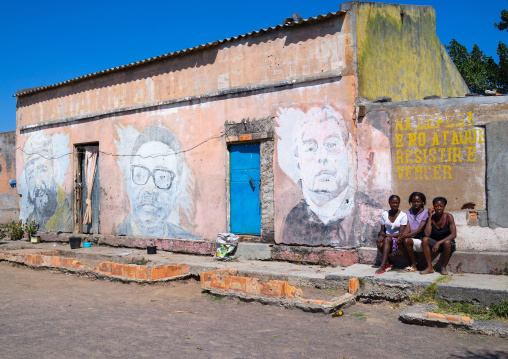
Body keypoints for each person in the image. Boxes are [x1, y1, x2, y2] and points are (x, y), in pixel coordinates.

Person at [281, 106, 356, 247]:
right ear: (298, 159)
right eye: (310, 148)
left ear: (350, 153)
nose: (322, 157)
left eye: (332, 145)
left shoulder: (370, 213)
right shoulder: (292, 219)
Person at [117, 126, 198, 239]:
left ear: (177, 189)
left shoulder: (189, 239)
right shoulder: (119, 234)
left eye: (162, 177)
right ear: (129, 182)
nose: (150, 189)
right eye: (140, 175)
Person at [23, 133, 72, 231]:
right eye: (31, 175)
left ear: (54, 169)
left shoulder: (68, 209)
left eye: (42, 170)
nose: (38, 184)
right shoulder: (30, 219)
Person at [420, 197, 457, 275]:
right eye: (437, 206)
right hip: (435, 243)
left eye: (441, 206)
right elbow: (427, 234)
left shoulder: (449, 217)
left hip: (447, 244)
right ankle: (429, 267)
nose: (439, 208)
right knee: (425, 239)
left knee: (447, 242)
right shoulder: (431, 218)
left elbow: (453, 234)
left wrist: (438, 243)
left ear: (444, 207)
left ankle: (443, 267)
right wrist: (429, 216)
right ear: (433, 207)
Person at [375, 195, 407, 274]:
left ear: (399, 204)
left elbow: (400, 233)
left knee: (387, 239)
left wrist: (386, 236)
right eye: (393, 203)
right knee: (378, 241)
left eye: (397, 203)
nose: (395, 205)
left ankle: (383, 265)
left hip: (397, 239)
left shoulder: (403, 215)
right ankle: (388, 261)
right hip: (387, 238)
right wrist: (381, 235)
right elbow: (382, 230)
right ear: (389, 203)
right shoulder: (385, 214)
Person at [399, 192, 429, 272]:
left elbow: (420, 229)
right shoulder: (408, 212)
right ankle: (413, 262)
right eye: (414, 201)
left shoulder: (425, 213)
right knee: (400, 242)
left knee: (406, 240)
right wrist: (403, 235)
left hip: (421, 238)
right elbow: (407, 227)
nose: (416, 203)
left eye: (418, 201)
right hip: (411, 237)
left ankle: (413, 264)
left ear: (422, 202)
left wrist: (406, 236)